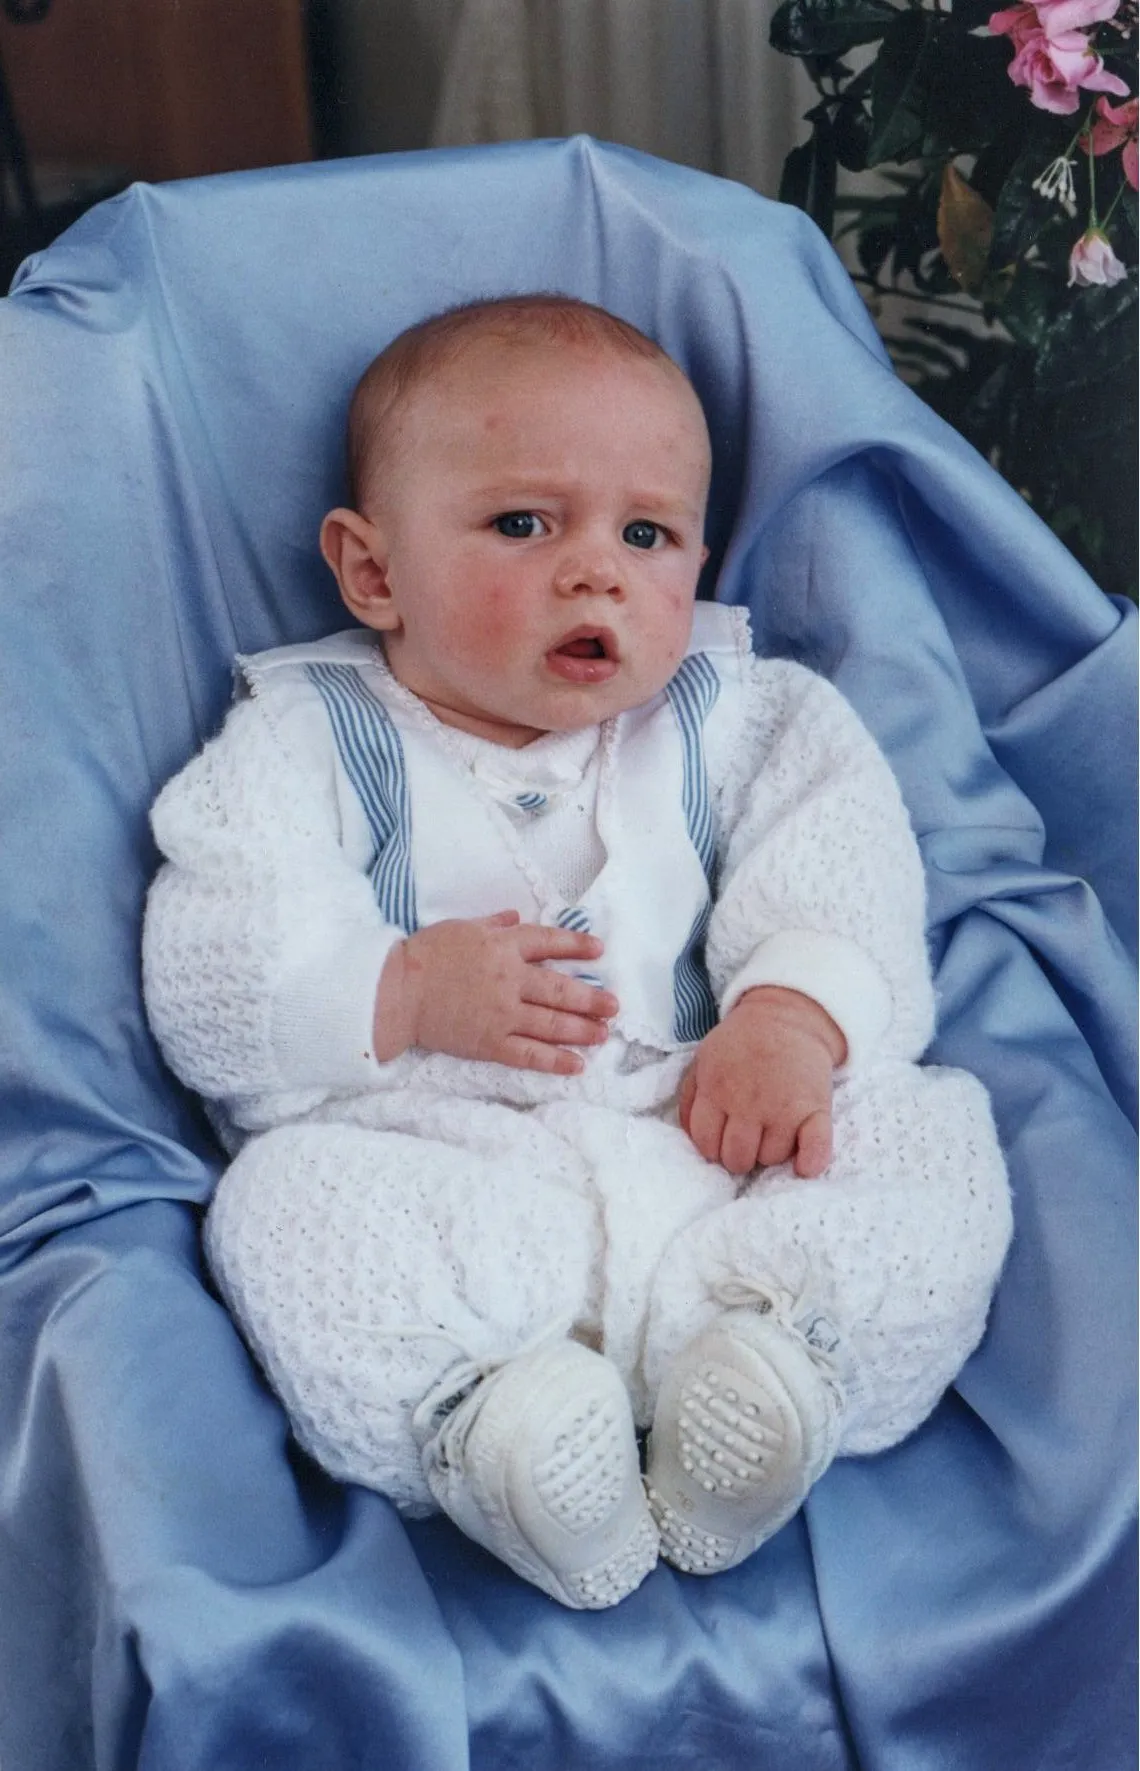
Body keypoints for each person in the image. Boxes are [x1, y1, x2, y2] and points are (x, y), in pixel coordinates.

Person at [142, 294, 1012, 1611]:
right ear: (373, 571)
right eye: (523, 525)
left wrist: (790, 1016)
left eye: (646, 533)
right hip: (452, 1168)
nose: (597, 568)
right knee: (280, 1207)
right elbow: (218, 949)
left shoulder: (748, 714)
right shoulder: (301, 739)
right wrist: (400, 987)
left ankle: (783, 1367)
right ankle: (498, 1424)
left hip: (718, 1147)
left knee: (932, 1141)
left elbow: (843, 859)